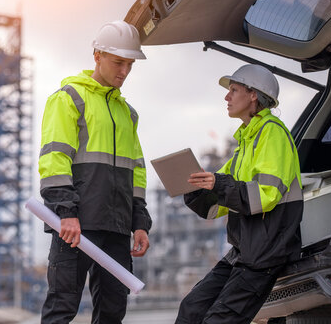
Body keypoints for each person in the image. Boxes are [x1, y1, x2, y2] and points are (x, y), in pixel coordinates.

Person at [38, 20, 152, 324]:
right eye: (118, 62)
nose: (124, 71)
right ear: (97, 55)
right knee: (62, 308)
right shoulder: (69, 98)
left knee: (113, 312)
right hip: (76, 225)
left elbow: (136, 171)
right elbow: (54, 160)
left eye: (130, 64)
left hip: (116, 229)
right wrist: (66, 212)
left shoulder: (127, 113)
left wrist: (139, 222)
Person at [175, 64, 304, 324]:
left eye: (233, 90)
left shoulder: (273, 134)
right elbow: (216, 207)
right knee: (191, 309)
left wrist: (218, 184)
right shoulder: (246, 142)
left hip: (266, 253)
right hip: (243, 251)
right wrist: (194, 188)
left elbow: (264, 197)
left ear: (253, 94)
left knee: (218, 320)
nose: (227, 97)